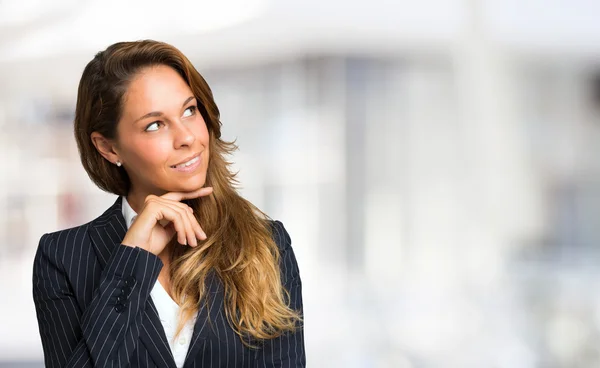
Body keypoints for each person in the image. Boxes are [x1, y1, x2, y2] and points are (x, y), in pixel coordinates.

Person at [32, 40, 305, 368]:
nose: (187, 137)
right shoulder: (63, 258)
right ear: (108, 148)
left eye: (190, 110)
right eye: (155, 125)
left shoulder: (268, 244)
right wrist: (132, 258)